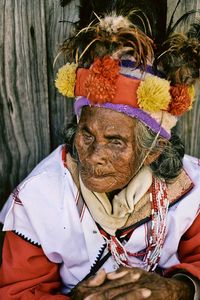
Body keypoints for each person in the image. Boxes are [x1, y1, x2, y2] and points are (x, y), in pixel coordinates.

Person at [0, 3, 200, 300]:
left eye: (115, 141)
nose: (93, 157)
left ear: (154, 150)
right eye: (87, 135)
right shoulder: (38, 198)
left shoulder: (190, 188)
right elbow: (18, 291)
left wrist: (180, 290)